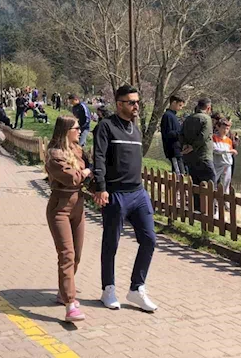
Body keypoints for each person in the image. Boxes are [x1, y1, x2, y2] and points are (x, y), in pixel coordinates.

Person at [92, 84, 157, 312]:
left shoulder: (135, 129)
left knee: (149, 239)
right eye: (131, 102)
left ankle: (136, 289)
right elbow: (98, 158)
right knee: (111, 243)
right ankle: (108, 289)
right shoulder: (106, 127)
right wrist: (101, 187)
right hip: (115, 193)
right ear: (119, 104)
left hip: (138, 193)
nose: (136, 105)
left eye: (137, 102)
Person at [46, 115, 92, 322]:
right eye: (76, 128)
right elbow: (72, 177)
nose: (80, 130)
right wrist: (87, 171)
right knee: (66, 254)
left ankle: (63, 292)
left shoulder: (77, 150)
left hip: (78, 205)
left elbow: (85, 172)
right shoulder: (54, 154)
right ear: (66, 130)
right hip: (60, 207)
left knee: (77, 255)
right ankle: (70, 304)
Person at [180, 98, 215, 214]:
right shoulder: (206, 119)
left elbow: (181, 134)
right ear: (208, 108)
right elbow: (203, 136)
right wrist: (193, 146)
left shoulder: (188, 118)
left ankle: (197, 207)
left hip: (190, 157)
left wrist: (185, 145)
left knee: (195, 182)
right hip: (203, 156)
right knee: (210, 181)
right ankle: (210, 208)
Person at [160, 95, 185, 175]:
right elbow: (168, 133)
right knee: (179, 174)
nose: (180, 108)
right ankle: (178, 187)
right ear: (174, 103)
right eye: (180, 105)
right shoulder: (167, 116)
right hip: (173, 150)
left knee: (181, 171)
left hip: (177, 149)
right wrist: (181, 132)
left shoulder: (173, 116)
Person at [212, 118, 236, 194]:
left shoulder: (229, 140)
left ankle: (226, 203)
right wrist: (228, 151)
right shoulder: (214, 138)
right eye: (223, 128)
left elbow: (230, 153)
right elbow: (215, 150)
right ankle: (214, 202)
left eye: (227, 129)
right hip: (217, 165)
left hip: (227, 165)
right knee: (213, 183)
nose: (225, 130)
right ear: (218, 127)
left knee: (226, 185)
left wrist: (232, 152)